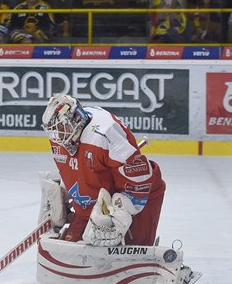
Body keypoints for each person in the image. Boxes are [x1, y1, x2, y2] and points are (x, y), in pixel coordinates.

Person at [39, 94, 165, 247]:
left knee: (130, 257)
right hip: (93, 205)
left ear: (76, 118)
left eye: (61, 128)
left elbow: (140, 180)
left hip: (138, 195)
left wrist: (118, 216)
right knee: (70, 252)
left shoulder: (106, 133)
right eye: (54, 130)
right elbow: (76, 168)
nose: (57, 135)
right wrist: (63, 193)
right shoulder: (60, 138)